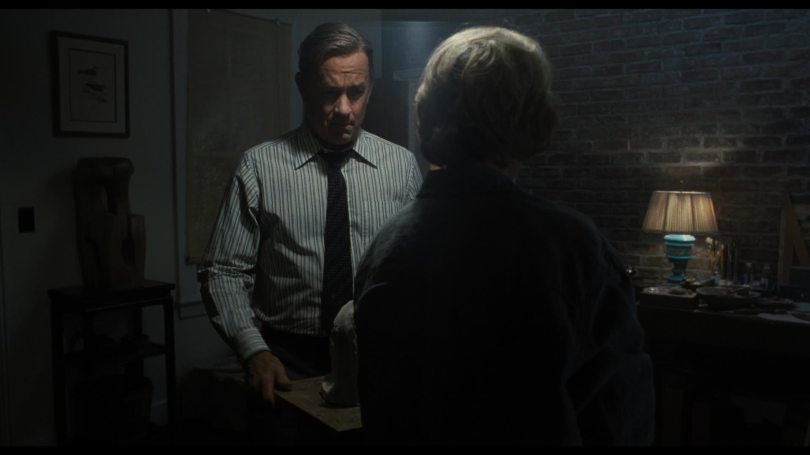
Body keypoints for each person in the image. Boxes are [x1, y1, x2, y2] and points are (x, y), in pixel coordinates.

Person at [353, 26, 655, 445]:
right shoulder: (573, 248)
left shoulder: (385, 248)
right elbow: (620, 417)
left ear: (425, 115)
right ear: (536, 117)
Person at [198, 21, 422, 415]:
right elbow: (224, 271)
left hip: (377, 357)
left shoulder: (401, 167)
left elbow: (415, 270)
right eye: (329, 93)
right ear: (303, 86)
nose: (344, 110)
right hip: (286, 362)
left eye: (356, 92)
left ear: (370, 88)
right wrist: (254, 351)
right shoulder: (259, 167)